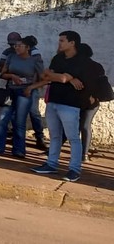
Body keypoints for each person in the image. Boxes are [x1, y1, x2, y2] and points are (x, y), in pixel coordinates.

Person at [33, 31, 91, 182]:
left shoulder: (80, 60)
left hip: (70, 103)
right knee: (54, 136)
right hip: (53, 100)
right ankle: (51, 164)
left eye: (62, 41)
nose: (59, 43)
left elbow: (63, 77)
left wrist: (63, 77)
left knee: (72, 137)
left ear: (72, 43)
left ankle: (74, 169)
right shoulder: (58, 57)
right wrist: (63, 77)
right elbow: (46, 76)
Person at [0, 35, 47, 158]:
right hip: (10, 91)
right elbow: (3, 74)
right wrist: (12, 76)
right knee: (2, 120)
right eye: (15, 45)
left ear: (27, 47)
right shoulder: (11, 56)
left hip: (25, 92)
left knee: (19, 122)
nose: (16, 48)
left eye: (19, 46)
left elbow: (44, 79)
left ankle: (19, 150)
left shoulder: (35, 60)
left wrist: (31, 88)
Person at [79, 50, 106, 162]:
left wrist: (93, 96)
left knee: (84, 126)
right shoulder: (96, 66)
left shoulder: (92, 67)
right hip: (86, 101)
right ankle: (83, 154)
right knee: (83, 126)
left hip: (90, 101)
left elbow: (100, 84)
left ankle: (84, 154)